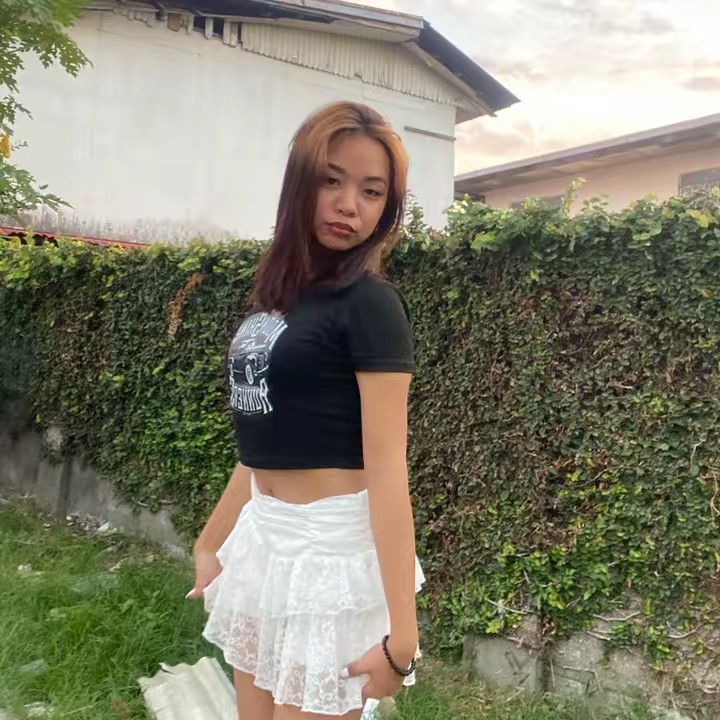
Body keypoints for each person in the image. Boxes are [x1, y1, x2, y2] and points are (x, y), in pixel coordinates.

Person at [186, 101, 424, 720]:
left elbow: (388, 469)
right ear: (299, 183)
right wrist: (211, 541)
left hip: (329, 559)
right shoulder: (277, 298)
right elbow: (263, 445)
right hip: (265, 544)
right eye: (331, 180)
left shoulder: (369, 305)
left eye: (372, 191)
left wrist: (402, 639)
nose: (350, 205)